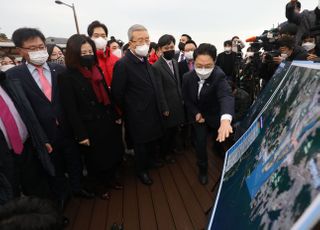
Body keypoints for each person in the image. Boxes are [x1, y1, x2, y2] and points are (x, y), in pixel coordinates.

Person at [6, 28, 93, 208]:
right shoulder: (13, 77)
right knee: (54, 168)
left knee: (74, 160)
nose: (38, 51)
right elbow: (20, 111)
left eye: (41, 46)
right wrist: (39, 136)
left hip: (68, 129)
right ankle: (62, 195)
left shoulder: (60, 70)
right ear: (20, 50)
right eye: (32, 48)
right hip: (43, 134)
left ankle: (77, 187)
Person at [58, 34, 124, 199]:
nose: (88, 54)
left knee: (112, 152)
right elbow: (70, 109)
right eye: (83, 52)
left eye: (90, 51)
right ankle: (99, 186)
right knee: (96, 159)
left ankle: (111, 179)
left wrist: (116, 113)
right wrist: (81, 134)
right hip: (89, 125)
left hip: (107, 118)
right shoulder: (67, 76)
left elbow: (107, 93)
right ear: (74, 54)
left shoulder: (96, 68)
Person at [112, 24, 165, 185]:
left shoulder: (145, 60)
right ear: (131, 43)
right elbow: (117, 93)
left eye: (147, 39)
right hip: (137, 114)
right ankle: (141, 171)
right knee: (140, 145)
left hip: (152, 111)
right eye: (140, 40)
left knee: (151, 141)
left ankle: (150, 162)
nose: (145, 43)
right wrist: (131, 107)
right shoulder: (123, 64)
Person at [182, 43, 234, 185]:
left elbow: (226, 96)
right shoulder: (187, 77)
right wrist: (196, 112)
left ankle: (218, 149)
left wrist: (225, 120)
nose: (203, 70)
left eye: (208, 66)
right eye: (199, 65)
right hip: (198, 118)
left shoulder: (219, 76)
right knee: (200, 144)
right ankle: (203, 170)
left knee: (219, 139)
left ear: (215, 62)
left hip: (215, 115)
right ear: (193, 62)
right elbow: (186, 98)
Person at [0, 71, 53, 201]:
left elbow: (29, 113)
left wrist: (41, 139)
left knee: (37, 187)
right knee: (11, 196)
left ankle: (45, 218)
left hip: (27, 146)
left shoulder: (8, 83)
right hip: (3, 157)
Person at [152, 34, 185, 163]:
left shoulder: (175, 62)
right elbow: (159, 90)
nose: (169, 49)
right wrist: (164, 108)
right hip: (167, 106)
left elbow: (177, 83)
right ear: (160, 49)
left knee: (174, 130)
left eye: (172, 47)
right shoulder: (156, 66)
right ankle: (165, 154)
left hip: (177, 103)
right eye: (166, 47)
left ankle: (171, 150)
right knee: (167, 133)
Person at [87, 20, 119, 87]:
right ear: (90, 38)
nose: (100, 38)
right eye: (96, 36)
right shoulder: (88, 60)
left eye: (103, 36)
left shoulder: (116, 59)